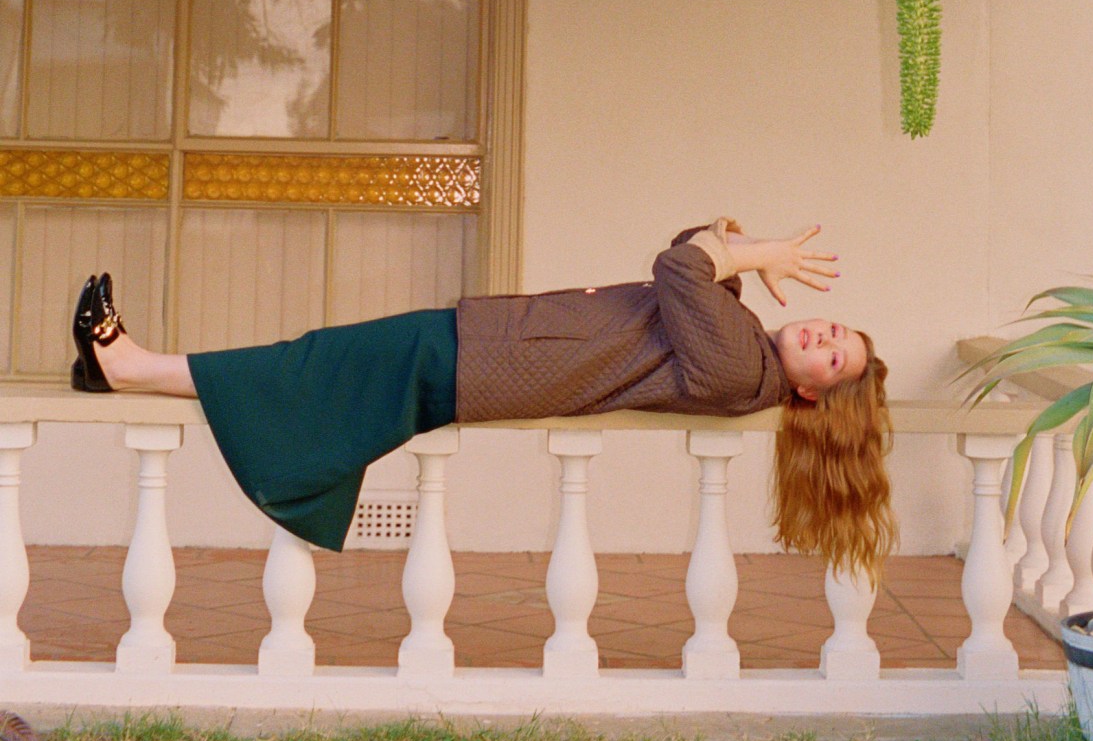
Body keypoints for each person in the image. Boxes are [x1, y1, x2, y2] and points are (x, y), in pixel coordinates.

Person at [71, 218, 896, 580]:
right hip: (492, 347)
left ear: (813, 395)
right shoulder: (745, 340)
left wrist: (751, 251)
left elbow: (680, 268)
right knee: (321, 369)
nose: (822, 336)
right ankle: (131, 369)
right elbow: (690, 249)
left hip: (491, 359)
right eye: (832, 329)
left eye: (833, 356)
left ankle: (131, 366)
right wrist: (744, 250)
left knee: (315, 365)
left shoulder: (739, 372)